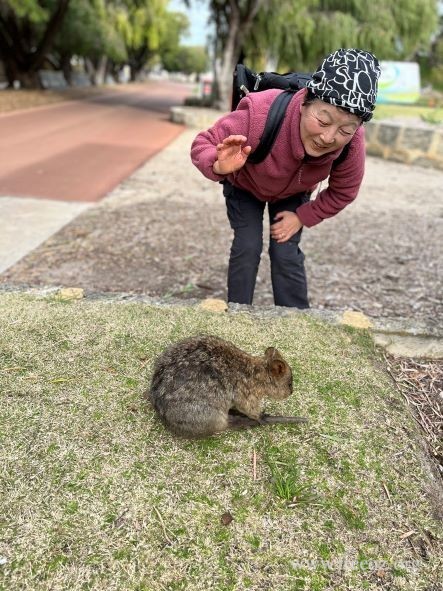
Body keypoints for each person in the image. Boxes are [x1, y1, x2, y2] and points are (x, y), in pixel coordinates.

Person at [190, 48, 381, 308]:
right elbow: (203, 142)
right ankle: (237, 313)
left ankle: (296, 321)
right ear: (304, 102)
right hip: (245, 185)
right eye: (323, 122)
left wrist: (302, 216)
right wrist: (218, 164)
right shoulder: (260, 112)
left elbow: (344, 191)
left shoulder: (352, 143)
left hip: (293, 194)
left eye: (345, 130)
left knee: (285, 250)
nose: (328, 138)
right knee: (248, 245)